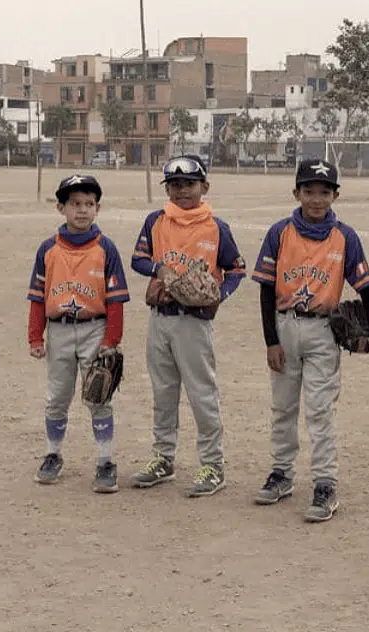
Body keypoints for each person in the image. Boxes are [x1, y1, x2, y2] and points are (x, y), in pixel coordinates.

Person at [250, 157, 369, 522]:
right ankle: (281, 473)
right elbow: (265, 288)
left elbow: (365, 286)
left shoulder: (345, 237)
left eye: (324, 192)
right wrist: (270, 340)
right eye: (309, 191)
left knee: (320, 409)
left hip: (324, 331)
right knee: (283, 406)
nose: (317, 199)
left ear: (335, 195)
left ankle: (325, 482)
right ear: (296, 192)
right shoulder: (280, 233)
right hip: (285, 325)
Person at [129, 155, 246, 498]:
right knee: (163, 392)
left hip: (193, 323)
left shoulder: (216, 227)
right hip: (160, 318)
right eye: (175, 185)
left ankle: (213, 464)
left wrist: (217, 295)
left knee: (201, 393)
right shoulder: (156, 221)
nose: (182, 191)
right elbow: (138, 259)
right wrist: (159, 270)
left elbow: (236, 269)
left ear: (204, 187)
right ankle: (163, 458)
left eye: (189, 184)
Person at [27, 174, 130, 493]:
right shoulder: (48, 249)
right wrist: (35, 337)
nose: (82, 210)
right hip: (58, 331)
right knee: (57, 398)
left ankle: (105, 461)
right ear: (61, 208)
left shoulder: (106, 248)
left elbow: (116, 300)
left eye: (88, 204)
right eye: (74, 204)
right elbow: (37, 297)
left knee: (98, 396)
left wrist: (111, 341)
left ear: (97, 208)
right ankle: (53, 454)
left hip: (94, 330)